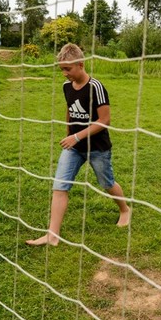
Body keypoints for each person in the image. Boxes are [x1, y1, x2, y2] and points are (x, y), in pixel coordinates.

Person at [26, 43, 131, 246]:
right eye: (62, 69)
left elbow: (104, 120)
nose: (65, 74)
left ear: (80, 64)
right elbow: (70, 110)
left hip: (98, 148)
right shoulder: (67, 87)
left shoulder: (96, 87)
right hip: (74, 148)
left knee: (107, 183)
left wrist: (77, 136)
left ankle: (125, 210)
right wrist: (69, 133)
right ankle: (52, 235)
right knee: (60, 186)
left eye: (68, 69)